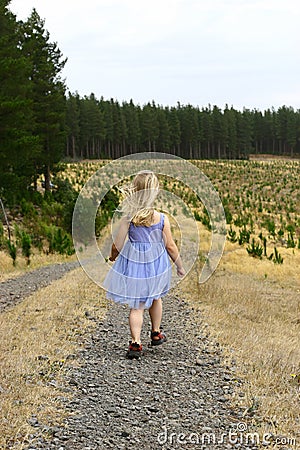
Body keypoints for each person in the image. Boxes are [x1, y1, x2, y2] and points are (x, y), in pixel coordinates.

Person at [103, 170, 185, 359]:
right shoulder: (162, 218)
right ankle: (156, 332)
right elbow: (170, 246)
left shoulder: (128, 218)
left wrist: (113, 257)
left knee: (137, 305)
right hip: (156, 265)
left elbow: (118, 244)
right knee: (156, 297)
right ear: (154, 192)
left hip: (135, 265)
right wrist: (179, 265)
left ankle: (135, 343)